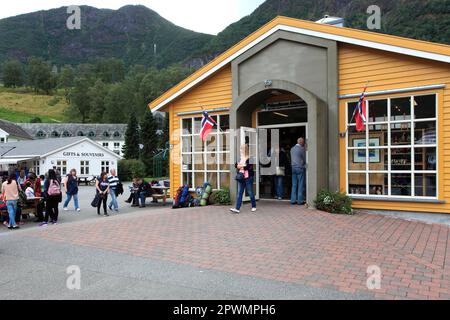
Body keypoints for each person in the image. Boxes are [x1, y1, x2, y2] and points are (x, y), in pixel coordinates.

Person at [230, 144, 257, 214]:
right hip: (241, 177)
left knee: (250, 192)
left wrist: (241, 166)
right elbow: (236, 165)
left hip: (248, 177)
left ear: (245, 150)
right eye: (240, 149)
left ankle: (254, 206)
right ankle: (237, 208)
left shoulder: (250, 158)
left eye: (241, 149)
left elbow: (249, 167)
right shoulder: (240, 158)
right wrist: (241, 166)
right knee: (239, 193)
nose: (240, 150)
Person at [290, 137, 307, 205]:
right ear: (301, 142)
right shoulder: (301, 149)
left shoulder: (292, 148)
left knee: (294, 185)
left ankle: (293, 200)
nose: (303, 143)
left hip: (293, 168)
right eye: (303, 142)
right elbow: (305, 158)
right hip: (300, 168)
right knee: (300, 184)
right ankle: (300, 200)